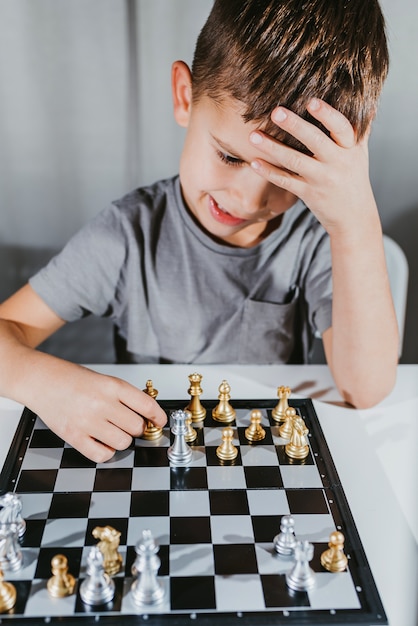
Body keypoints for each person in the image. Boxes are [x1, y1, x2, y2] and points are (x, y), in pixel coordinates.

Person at [0, 0, 399, 461]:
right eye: (230, 157)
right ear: (185, 96)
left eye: (286, 176)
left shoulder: (313, 241)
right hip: (150, 460)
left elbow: (365, 389)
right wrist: (44, 383)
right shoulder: (128, 235)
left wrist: (355, 221)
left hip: (257, 463)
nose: (249, 201)